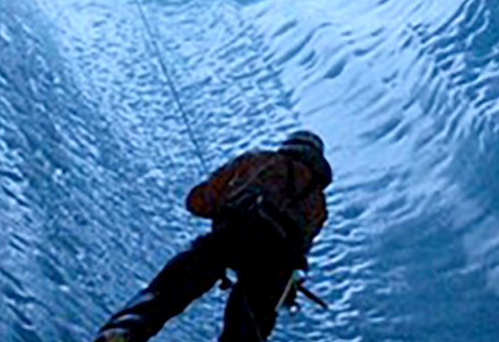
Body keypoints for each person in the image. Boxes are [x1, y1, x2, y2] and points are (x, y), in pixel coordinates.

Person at [92, 130, 333, 342]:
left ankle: (125, 332)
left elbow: (197, 202)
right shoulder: (319, 203)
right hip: (277, 261)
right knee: (248, 328)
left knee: (168, 290)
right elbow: (303, 244)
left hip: (234, 233)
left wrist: (219, 202)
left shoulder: (260, 160)